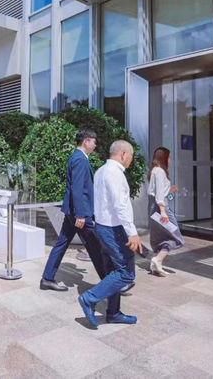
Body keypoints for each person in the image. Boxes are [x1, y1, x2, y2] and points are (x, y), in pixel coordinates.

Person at [78, 140, 140, 328]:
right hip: (114, 230)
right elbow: (120, 205)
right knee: (126, 273)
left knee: (112, 272)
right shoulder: (114, 173)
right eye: (131, 156)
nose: (131, 159)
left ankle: (113, 313)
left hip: (102, 227)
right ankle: (90, 298)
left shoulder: (101, 171)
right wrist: (132, 232)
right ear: (123, 154)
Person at [40, 130, 106, 292]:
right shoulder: (80, 159)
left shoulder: (77, 157)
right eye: (94, 142)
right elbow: (77, 189)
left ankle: (47, 278)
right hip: (79, 214)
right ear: (86, 141)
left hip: (72, 212)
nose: (95, 145)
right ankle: (111, 282)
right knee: (95, 247)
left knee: (62, 243)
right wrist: (80, 215)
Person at [147, 147, 184, 276]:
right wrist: (163, 211)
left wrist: (169, 190)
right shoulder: (160, 171)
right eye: (169, 157)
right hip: (160, 208)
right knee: (176, 237)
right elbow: (159, 195)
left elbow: (158, 192)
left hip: (154, 207)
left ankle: (156, 265)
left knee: (158, 237)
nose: (170, 160)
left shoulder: (155, 170)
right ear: (163, 158)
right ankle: (158, 259)